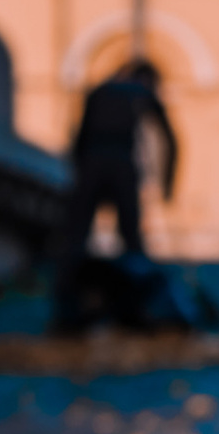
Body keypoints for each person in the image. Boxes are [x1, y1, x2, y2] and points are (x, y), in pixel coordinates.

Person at [52, 58, 176, 327]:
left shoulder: (98, 91)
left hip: (89, 169)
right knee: (131, 240)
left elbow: (79, 138)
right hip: (121, 167)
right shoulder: (142, 92)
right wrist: (168, 186)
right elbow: (170, 138)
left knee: (76, 239)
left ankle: (66, 309)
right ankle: (135, 311)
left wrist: (79, 179)